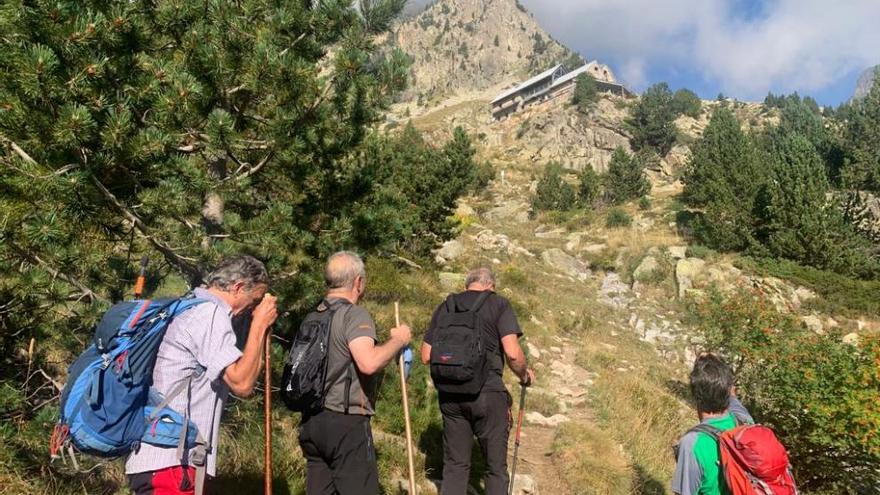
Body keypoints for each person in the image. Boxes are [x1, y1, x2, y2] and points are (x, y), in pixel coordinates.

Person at [126, 255, 278, 494]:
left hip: (155, 459)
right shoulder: (210, 315)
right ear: (238, 287)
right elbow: (242, 382)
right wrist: (259, 324)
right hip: (175, 464)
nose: (251, 310)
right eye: (253, 301)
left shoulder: (185, 306)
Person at [298, 251, 412, 495]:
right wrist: (398, 341)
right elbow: (368, 363)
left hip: (312, 422)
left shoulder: (313, 315)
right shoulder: (355, 315)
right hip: (346, 421)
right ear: (358, 282)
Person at [420, 267, 535, 495]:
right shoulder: (498, 304)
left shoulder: (447, 306)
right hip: (488, 394)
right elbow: (512, 353)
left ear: (466, 285)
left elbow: (425, 355)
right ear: (491, 286)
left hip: (450, 397)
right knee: (495, 469)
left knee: (455, 466)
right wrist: (524, 375)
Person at [672, 352, 755, 495]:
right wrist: (719, 368)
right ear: (728, 391)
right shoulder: (745, 422)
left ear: (696, 396)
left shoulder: (692, 444)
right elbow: (733, 397)